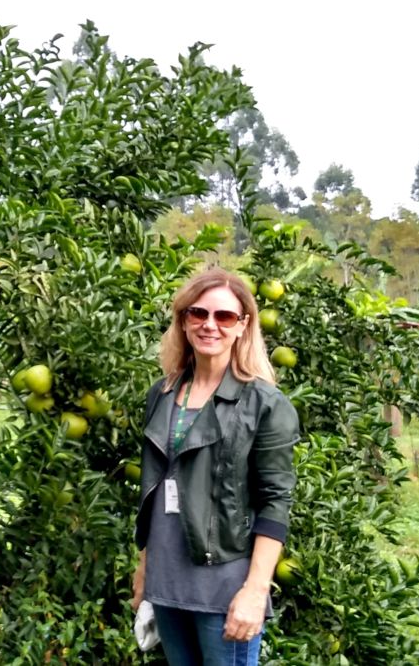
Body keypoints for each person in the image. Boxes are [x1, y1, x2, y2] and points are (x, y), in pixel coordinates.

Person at [130, 268, 299, 665]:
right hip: (168, 579)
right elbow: (155, 490)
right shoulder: (164, 393)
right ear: (184, 321)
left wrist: (255, 592)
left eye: (224, 317)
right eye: (198, 314)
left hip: (224, 584)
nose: (210, 325)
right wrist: (145, 569)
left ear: (243, 326)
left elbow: (275, 502)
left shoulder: (265, 404)